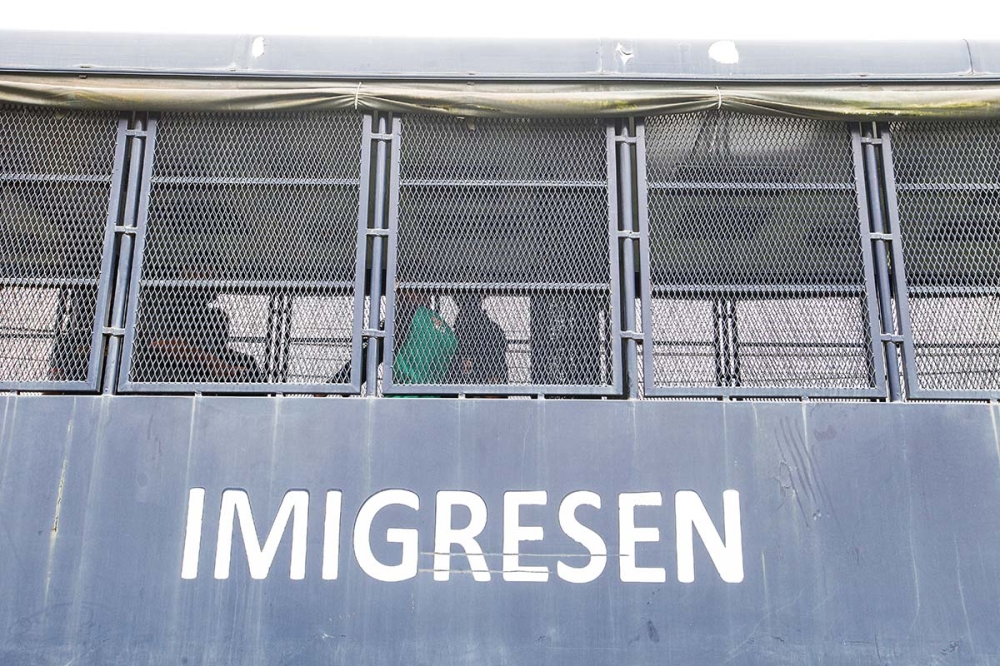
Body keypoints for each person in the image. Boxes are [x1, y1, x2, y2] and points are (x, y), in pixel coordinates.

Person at [449, 293, 509, 386]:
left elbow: (497, 371)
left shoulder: (492, 331)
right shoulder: (494, 330)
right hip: (469, 384)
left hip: (476, 384)